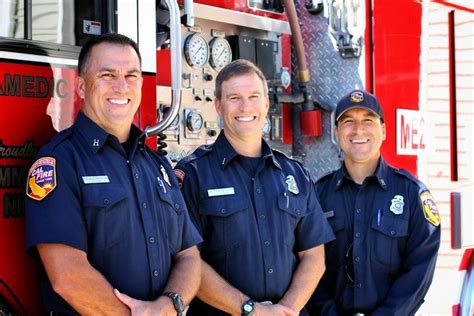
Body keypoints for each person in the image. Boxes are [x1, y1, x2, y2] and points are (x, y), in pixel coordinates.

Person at [25, 33, 202, 315]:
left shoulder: (157, 165)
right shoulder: (59, 162)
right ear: (82, 87)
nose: (122, 87)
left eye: (131, 76)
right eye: (108, 75)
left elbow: (189, 256)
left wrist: (169, 305)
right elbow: (67, 277)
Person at [173, 59, 335, 316]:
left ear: (267, 104)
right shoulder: (193, 174)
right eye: (234, 97)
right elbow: (188, 260)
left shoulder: (294, 173)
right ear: (218, 105)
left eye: (254, 96)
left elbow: (314, 256)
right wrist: (251, 310)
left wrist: (286, 310)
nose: (245, 106)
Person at [307, 90, 441, 315]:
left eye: (368, 121)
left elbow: (418, 271)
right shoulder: (318, 195)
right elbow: (305, 265)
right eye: (348, 121)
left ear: (384, 130)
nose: (358, 129)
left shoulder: (411, 194)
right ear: (336, 132)